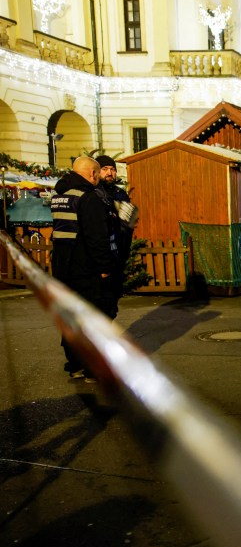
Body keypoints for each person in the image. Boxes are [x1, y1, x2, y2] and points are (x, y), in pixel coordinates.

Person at [50, 156, 123, 382]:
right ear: (93, 174)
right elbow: (96, 237)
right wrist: (104, 266)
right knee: (96, 316)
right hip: (87, 268)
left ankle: (75, 364)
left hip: (64, 267)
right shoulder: (88, 198)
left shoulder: (60, 195)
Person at [95, 155, 138, 306]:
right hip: (101, 255)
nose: (109, 173)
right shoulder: (94, 194)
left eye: (112, 169)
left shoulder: (120, 194)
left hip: (118, 254)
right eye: (105, 169)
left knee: (113, 301)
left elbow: (128, 224)